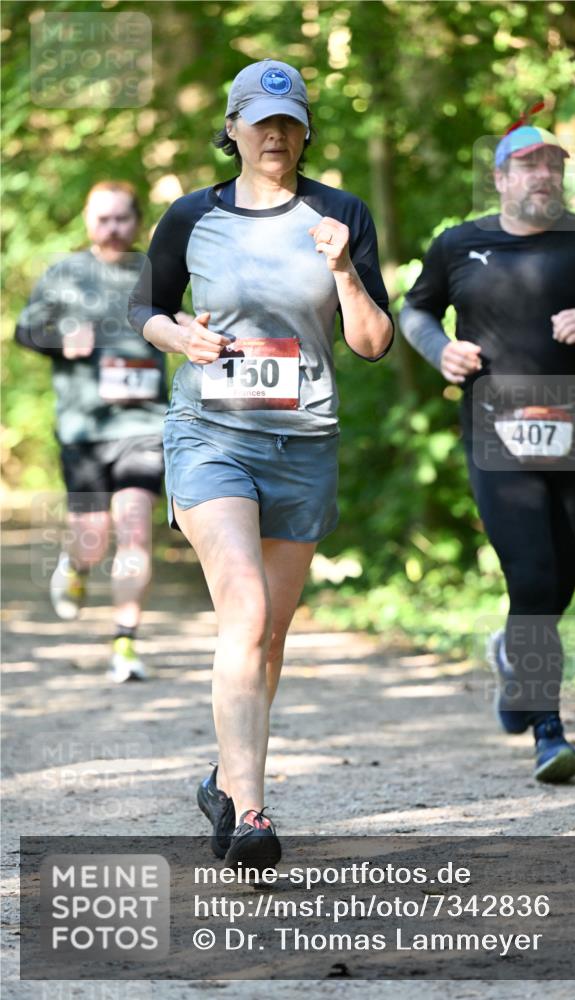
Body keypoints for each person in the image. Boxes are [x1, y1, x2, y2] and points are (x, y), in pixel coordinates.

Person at [128, 59, 393, 868]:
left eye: (290, 120)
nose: (275, 133)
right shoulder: (188, 216)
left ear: (305, 130)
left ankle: (224, 778)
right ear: (233, 129)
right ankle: (251, 813)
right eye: (260, 119)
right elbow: (144, 307)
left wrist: (344, 268)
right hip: (210, 433)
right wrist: (180, 336)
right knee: (242, 612)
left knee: (269, 636)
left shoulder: (340, 213)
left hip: (304, 443)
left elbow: (373, 344)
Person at [400, 118, 575, 783]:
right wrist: (442, 350)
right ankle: (548, 728)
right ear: (500, 178)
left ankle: (514, 655)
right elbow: (417, 312)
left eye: (552, 164)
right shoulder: (460, 244)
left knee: (561, 575)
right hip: (495, 428)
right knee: (533, 572)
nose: (542, 174)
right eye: (527, 165)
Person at [15, 181, 172, 682]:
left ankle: (125, 642)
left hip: (144, 422)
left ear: (137, 219)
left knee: (134, 525)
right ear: (87, 220)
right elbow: (25, 330)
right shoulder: (65, 273)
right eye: (102, 219)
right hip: (84, 426)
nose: (112, 228)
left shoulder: (153, 271)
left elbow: (176, 321)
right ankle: (77, 565)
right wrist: (59, 338)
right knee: (93, 533)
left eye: (121, 218)